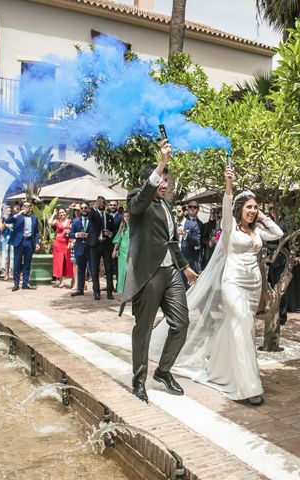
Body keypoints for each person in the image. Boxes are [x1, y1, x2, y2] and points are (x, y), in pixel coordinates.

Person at [151, 166, 283, 405]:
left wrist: (262, 216)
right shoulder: (230, 227)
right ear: (239, 210)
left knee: (240, 327)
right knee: (243, 325)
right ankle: (249, 386)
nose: (252, 211)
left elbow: (278, 232)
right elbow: (226, 205)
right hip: (233, 283)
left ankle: (219, 369)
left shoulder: (258, 233)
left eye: (255, 207)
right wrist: (229, 185)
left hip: (254, 287)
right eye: (248, 207)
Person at [121, 140, 198, 403]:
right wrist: (161, 162)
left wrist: (186, 267)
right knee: (144, 329)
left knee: (181, 323)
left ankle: (163, 371)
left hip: (171, 272)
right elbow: (140, 201)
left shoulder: (166, 206)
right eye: (160, 180)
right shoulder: (135, 198)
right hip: (148, 274)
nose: (165, 184)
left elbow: (171, 241)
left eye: (167, 180)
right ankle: (138, 381)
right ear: (147, 181)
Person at [6, 200, 41, 292]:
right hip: (19, 242)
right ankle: (16, 284)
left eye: (28, 206)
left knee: (27, 263)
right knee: (17, 262)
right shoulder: (18, 216)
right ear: (22, 207)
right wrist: (17, 214)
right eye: (24, 206)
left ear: (30, 208)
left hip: (29, 242)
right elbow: (8, 220)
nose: (26, 207)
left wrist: (37, 242)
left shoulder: (34, 218)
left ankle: (25, 283)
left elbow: (36, 232)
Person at [86, 196, 116, 300]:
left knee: (108, 269)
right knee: (95, 269)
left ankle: (109, 292)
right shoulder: (93, 214)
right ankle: (96, 292)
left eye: (103, 203)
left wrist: (110, 233)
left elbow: (113, 231)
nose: (102, 204)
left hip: (106, 244)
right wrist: (94, 205)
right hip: (95, 244)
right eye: (100, 203)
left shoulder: (109, 216)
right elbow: (89, 217)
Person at [266, 201, 290, 325]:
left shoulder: (286, 220)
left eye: (273, 208)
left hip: (282, 258)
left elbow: (285, 237)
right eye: (269, 209)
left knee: (282, 288)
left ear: (279, 207)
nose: (271, 211)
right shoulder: (268, 221)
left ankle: (282, 315)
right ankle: (274, 313)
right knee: (273, 286)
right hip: (271, 259)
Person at [69, 202, 93, 297]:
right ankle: (80, 289)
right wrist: (77, 235)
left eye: (85, 208)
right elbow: (70, 234)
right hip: (79, 248)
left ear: (88, 209)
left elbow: (97, 232)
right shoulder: (76, 221)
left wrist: (89, 235)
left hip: (91, 248)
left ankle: (96, 291)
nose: (83, 210)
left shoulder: (93, 220)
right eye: (82, 208)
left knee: (93, 270)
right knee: (80, 270)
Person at [49, 207, 74, 288]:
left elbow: (73, 230)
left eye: (63, 212)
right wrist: (53, 214)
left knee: (69, 261)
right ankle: (61, 281)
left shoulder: (70, 221)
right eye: (60, 213)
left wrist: (69, 232)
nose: (61, 214)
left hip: (67, 243)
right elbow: (49, 222)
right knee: (59, 262)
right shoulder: (56, 221)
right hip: (58, 243)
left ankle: (73, 281)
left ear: (65, 213)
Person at [112, 210, 130, 294]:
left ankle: (130, 292)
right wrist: (114, 250)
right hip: (122, 253)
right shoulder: (122, 226)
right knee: (122, 272)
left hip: (132, 252)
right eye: (125, 216)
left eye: (128, 216)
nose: (127, 218)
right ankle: (123, 292)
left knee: (130, 273)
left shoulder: (135, 226)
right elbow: (118, 239)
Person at [0, 205, 15, 280]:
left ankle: (11, 272)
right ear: (5, 211)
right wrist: (5, 222)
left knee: (12, 255)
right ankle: (5, 273)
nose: (10, 212)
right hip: (5, 238)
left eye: (10, 211)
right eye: (8, 210)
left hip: (12, 238)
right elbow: (1, 228)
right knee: (5, 255)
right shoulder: (2, 219)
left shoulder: (13, 218)